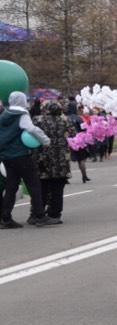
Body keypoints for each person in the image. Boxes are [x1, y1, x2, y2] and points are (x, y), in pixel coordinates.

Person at [0, 91, 52, 228]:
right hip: (21, 155)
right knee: (34, 184)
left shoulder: (4, 114)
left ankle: (5, 218)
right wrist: (45, 140)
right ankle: (39, 215)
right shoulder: (22, 114)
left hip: (6, 155)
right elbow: (31, 129)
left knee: (11, 186)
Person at [32, 101, 76, 225]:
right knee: (57, 188)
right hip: (61, 160)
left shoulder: (38, 121)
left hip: (43, 158)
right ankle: (54, 214)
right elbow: (73, 134)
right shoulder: (65, 121)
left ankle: (38, 214)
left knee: (42, 187)